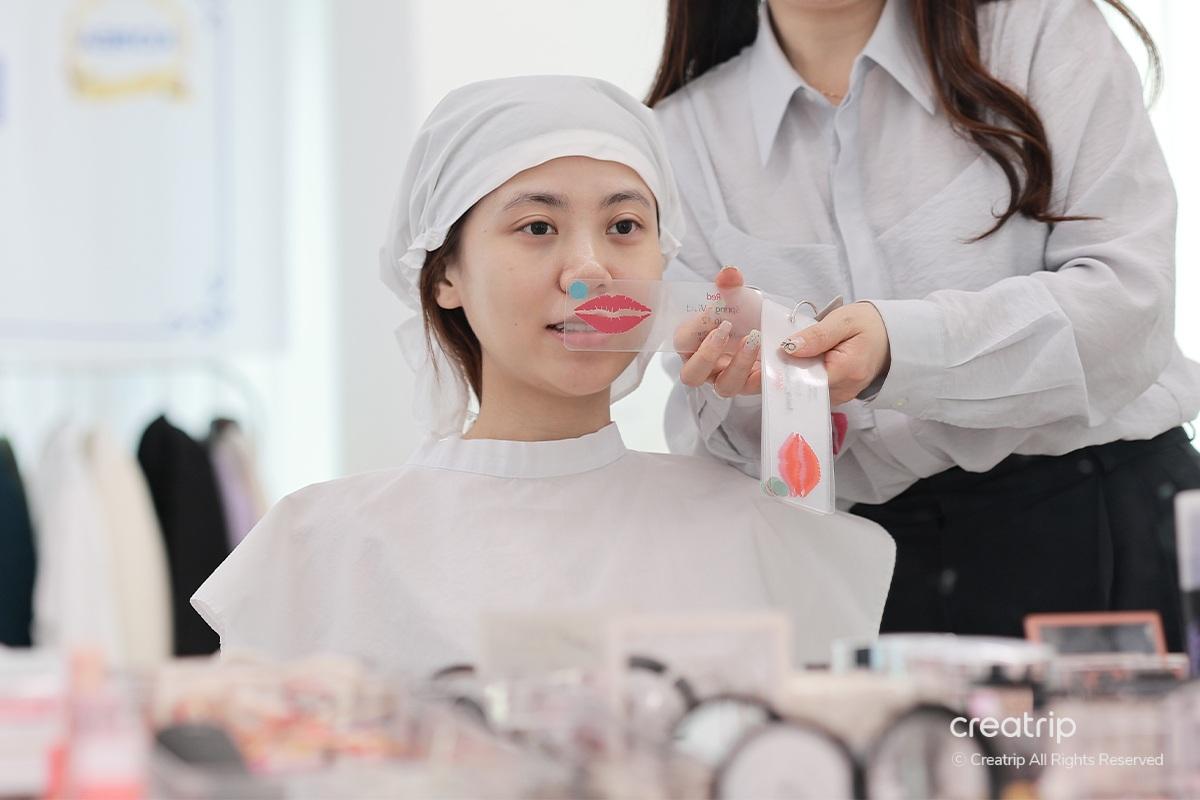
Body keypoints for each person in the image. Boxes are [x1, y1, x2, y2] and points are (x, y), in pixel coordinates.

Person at [190, 76, 896, 676]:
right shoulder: (323, 546)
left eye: (624, 226)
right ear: (445, 274)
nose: (589, 270)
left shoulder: (754, 527)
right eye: (537, 227)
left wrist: (794, 377)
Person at [649, 0, 1200, 650]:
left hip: (1104, 515)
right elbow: (720, 432)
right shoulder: (677, 136)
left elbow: (1128, 306)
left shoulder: (1038, 28)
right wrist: (736, 389)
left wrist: (897, 349)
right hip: (865, 568)